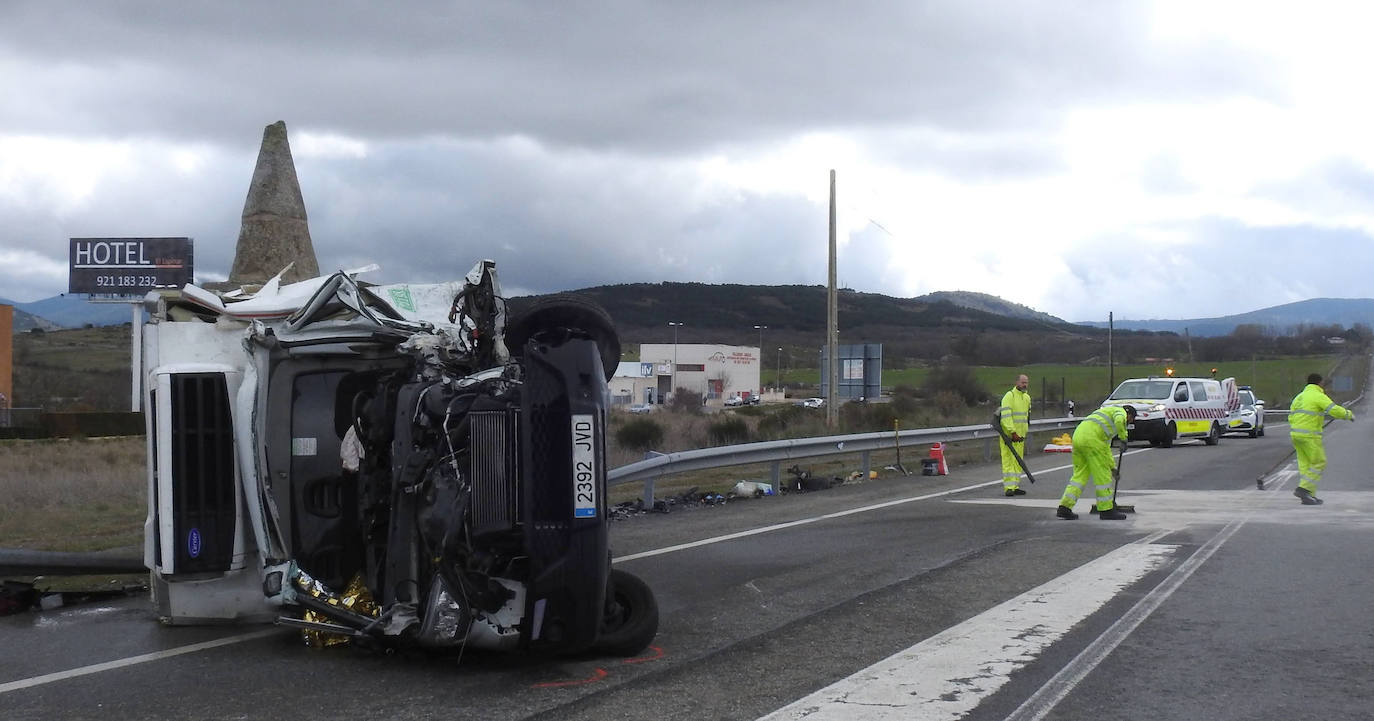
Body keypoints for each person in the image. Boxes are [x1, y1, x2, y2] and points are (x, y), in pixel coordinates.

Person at [1056, 404, 1136, 520]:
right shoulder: (1120, 412)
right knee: (1103, 477)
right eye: (1131, 419)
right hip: (1092, 441)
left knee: (1079, 476)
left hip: (1078, 438)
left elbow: (1106, 449)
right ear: (1129, 415)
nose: (1129, 422)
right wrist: (1123, 438)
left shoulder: (1105, 417)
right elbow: (1120, 421)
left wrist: (1113, 468)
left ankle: (1065, 507)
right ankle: (1106, 510)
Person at [1288, 373, 1354, 505]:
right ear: (1319, 383)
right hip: (1310, 436)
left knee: (1306, 466)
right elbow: (1334, 410)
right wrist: (1348, 415)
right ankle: (1303, 489)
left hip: (1296, 435)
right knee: (1319, 462)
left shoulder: (1299, 397)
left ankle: (1308, 496)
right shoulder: (1318, 396)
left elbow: (1291, 416)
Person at [998, 374, 1032, 496]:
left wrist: (1024, 432)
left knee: (1018, 462)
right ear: (1017, 382)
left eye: (1026, 382)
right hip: (1009, 436)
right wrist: (1012, 431)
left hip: (1020, 436)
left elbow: (1026, 417)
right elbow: (1006, 416)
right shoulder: (1009, 396)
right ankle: (1009, 487)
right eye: (1023, 382)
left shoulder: (1027, 398)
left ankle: (1015, 485)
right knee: (1008, 461)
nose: (1025, 385)